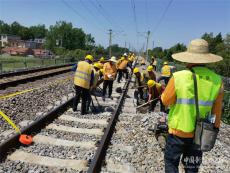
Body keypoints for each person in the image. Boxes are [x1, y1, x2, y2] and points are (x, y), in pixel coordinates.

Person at [161, 39, 224, 173]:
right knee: (191, 166)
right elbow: (216, 111)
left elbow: (165, 101)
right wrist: (215, 129)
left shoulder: (178, 77)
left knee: (171, 163)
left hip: (178, 132)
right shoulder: (217, 80)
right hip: (200, 133)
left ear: (188, 58)